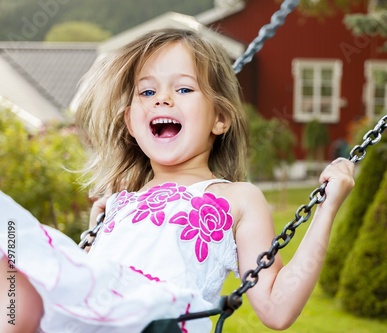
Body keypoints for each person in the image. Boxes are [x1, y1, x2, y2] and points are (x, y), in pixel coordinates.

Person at [0, 28, 355, 333]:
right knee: (10, 249)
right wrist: (98, 230)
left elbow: (276, 309)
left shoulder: (236, 198)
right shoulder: (119, 203)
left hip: (162, 318)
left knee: (12, 231)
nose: (163, 99)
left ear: (220, 118)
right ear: (130, 122)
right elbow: (89, 281)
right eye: (147, 92)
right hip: (98, 315)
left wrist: (327, 207)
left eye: (184, 89)